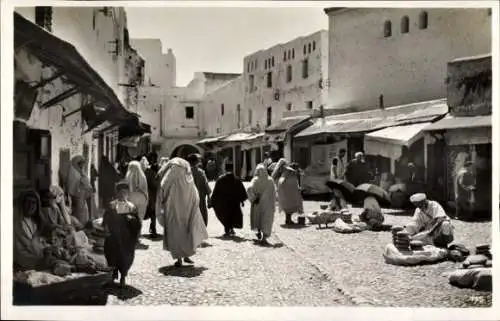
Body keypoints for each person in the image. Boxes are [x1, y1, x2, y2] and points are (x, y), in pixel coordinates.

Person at [156, 157, 208, 268]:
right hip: (187, 207)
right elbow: (194, 190)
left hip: (174, 207)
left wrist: (161, 200)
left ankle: (180, 258)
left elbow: (163, 186)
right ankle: (186, 255)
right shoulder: (187, 171)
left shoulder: (173, 171)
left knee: (176, 231)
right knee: (186, 230)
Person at [103, 181, 142, 287]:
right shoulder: (112, 205)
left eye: (125, 192)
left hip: (127, 239)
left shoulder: (131, 207)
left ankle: (123, 277)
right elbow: (106, 219)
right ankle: (114, 273)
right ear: (117, 193)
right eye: (120, 192)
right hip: (114, 237)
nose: (122, 195)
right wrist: (106, 227)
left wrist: (132, 219)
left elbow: (138, 224)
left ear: (127, 193)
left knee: (125, 258)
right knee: (112, 256)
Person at [210, 162, 248, 236]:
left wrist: (212, 201)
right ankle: (231, 228)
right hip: (234, 202)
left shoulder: (221, 179)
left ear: (225, 169)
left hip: (224, 203)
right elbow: (241, 190)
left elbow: (216, 191)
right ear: (232, 169)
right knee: (233, 215)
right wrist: (242, 200)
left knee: (225, 215)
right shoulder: (236, 179)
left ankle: (227, 229)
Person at [14, 190, 47, 270]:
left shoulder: (35, 223)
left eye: (33, 203)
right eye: (27, 202)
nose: (31, 206)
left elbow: (37, 246)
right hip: (24, 262)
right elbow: (19, 253)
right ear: (22, 204)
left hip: (37, 259)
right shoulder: (16, 224)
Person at [247, 164, 277, 245]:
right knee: (266, 220)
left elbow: (249, 189)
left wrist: (253, 198)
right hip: (267, 204)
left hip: (257, 203)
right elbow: (274, 193)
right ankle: (264, 238)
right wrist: (274, 204)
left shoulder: (255, 180)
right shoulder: (270, 180)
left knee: (258, 218)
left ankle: (258, 231)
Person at [66, 155, 93, 227]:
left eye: (83, 164)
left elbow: (87, 185)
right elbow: (72, 188)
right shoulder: (73, 173)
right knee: (79, 217)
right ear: (77, 163)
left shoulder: (80, 172)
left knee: (84, 215)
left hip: (82, 198)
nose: (82, 166)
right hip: (78, 198)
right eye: (81, 164)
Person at [188, 153, 212, 226]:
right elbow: (206, 185)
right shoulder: (201, 172)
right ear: (196, 162)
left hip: (190, 198)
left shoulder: (186, 172)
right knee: (201, 213)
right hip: (200, 197)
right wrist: (208, 196)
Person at [144, 152, 160, 236]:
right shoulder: (147, 169)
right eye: (151, 158)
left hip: (154, 193)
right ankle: (153, 227)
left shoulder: (155, 168)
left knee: (153, 211)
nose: (153, 160)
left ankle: (153, 227)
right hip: (151, 193)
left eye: (154, 158)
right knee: (152, 211)